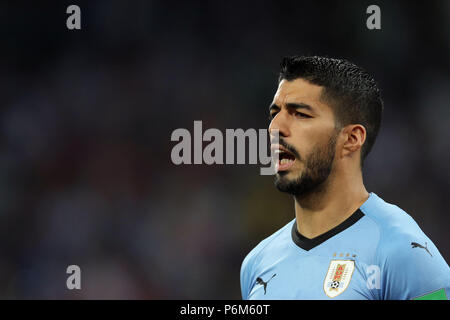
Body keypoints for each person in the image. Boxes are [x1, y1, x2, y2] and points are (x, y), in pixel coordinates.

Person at [240, 56, 450, 300]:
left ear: (351, 139)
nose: (275, 127)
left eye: (300, 114)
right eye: (275, 113)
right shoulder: (257, 263)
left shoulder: (402, 251)